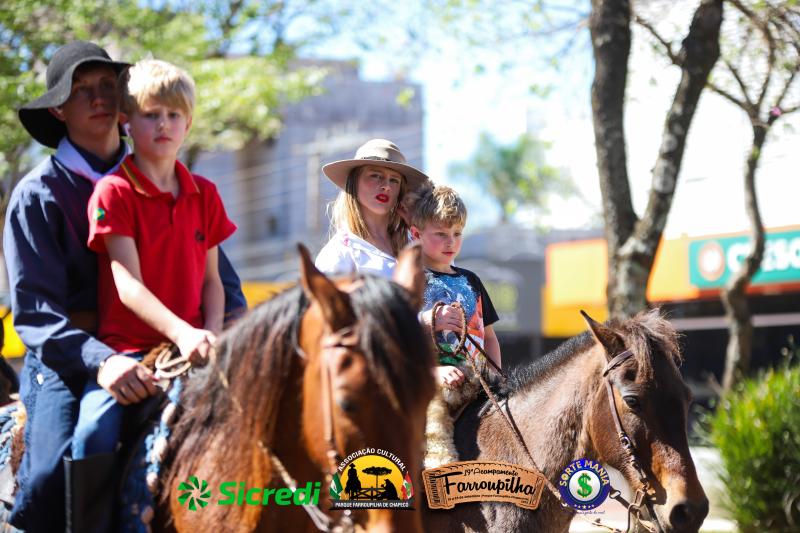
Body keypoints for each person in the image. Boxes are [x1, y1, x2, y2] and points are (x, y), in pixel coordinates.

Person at [3, 42, 245, 533]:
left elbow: (221, 282)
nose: (99, 98)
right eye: (81, 90)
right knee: (48, 477)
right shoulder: (37, 195)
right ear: (58, 109)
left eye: (107, 86)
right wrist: (104, 361)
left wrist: (232, 341)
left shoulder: (176, 183)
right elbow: (36, 314)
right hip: (73, 359)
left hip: (179, 345)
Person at [405, 182, 502, 469]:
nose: (451, 242)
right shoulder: (411, 280)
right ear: (416, 234)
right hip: (432, 385)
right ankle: (439, 480)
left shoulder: (471, 280)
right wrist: (432, 372)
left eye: (457, 234)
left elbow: (489, 336)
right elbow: (402, 342)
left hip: (478, 381)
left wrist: (496, 375)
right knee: (436, 434)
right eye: (441, 234)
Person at [314, 138, 430, 277]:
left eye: (394, 180)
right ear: (353, 183)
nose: (386, 186)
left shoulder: (416, 240)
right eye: (375, 175)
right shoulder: (338, 254)